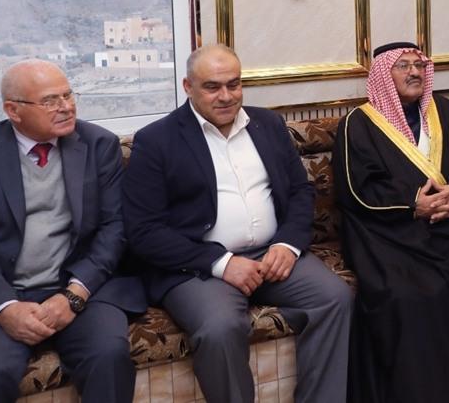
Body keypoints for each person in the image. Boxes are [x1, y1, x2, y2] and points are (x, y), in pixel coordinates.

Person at [121, 45, 351, 403]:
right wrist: (222, 263)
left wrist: (288, 244)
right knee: (219, 328)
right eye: (212, 87)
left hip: (272, 254)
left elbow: (300, 191)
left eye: (234, 84)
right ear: (188, 87)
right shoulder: (156, 141)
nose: (226, 96)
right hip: (198, 267)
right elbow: (144, 230)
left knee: (335, 298)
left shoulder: (268, 124)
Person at [333, 42, 449, 403]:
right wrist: (413, 203)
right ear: (383, 75)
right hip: (388, 234)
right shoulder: (358, 124)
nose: (415, 72)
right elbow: (356, 188)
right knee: (413, 296)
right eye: (403, 66)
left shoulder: (445, 111)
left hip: (448, 226)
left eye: (419, 65)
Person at [0, 60, 144, 402]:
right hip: (5, 290)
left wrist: (74, 295)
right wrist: (5, 307)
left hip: (83, 287)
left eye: (68, 95)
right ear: (13, 110)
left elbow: (114, 228)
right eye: (50, 100)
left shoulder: (98, 144)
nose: (66, 107)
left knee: (108, 357)